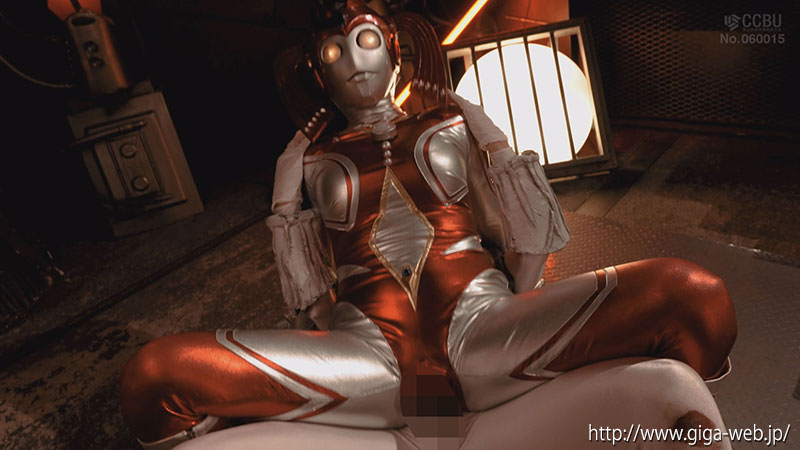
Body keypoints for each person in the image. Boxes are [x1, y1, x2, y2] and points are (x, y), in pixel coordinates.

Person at [119, 2, 737, 448]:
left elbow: (512, 234)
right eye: (332, 52)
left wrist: (525, 305)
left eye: (364, 39)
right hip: (367, 360)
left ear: (394, 47)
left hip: (484, 329)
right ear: (317, 71)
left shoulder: (449, 124)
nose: (351, 61)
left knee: (692, 295)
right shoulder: (310, 159)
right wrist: (286, 185)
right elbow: (312, 301)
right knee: (152, 375)